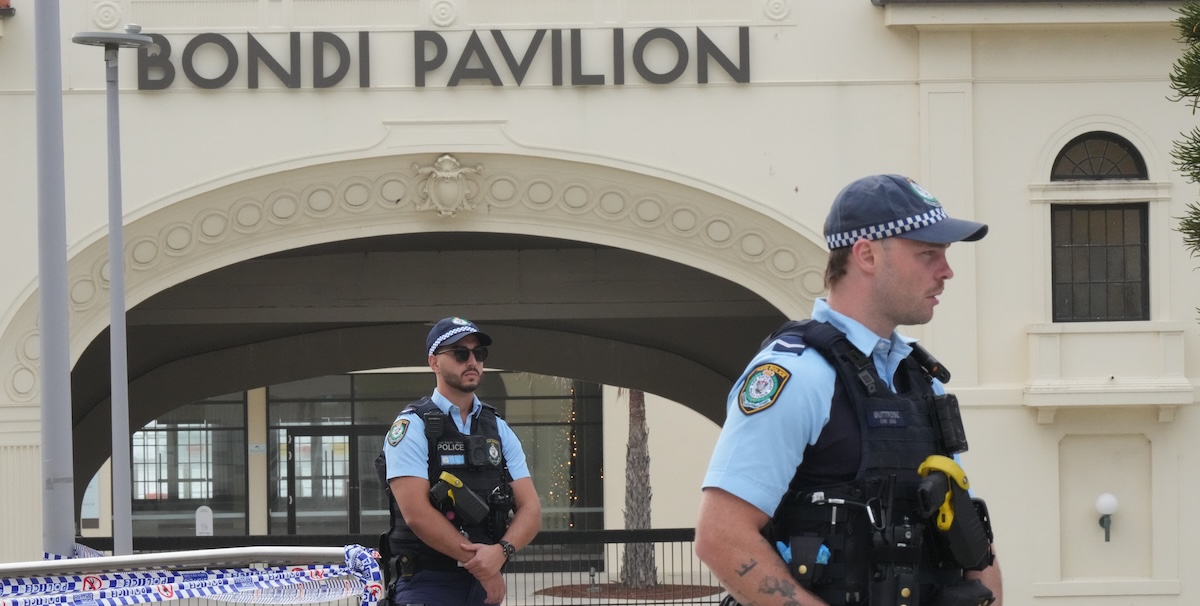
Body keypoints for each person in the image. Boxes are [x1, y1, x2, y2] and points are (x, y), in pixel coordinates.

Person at [695, 175, 1003, 606]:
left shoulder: (921, 380)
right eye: (928, 254)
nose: (946, 271)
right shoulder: (797, 376)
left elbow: (967, 532)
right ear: (866, 254)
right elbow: (722, 539)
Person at [376, 317, 541, 606]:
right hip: (426, 582)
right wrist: (482, 567)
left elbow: (531, 508)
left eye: (479, 354)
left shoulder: (497, 428)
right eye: (460, 353)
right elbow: (416, 514)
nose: (473, 361)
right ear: (434, 362)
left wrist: (500, 553)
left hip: (482, 586)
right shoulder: (411, 426)